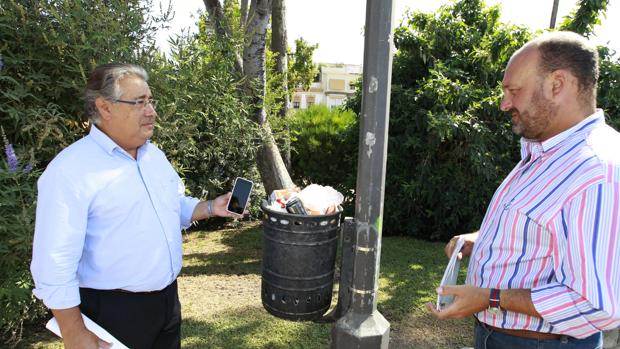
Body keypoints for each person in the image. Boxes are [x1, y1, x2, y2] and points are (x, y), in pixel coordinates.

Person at [30, 63, 245, 349]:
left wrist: (209, 207)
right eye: (140, 102)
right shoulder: (70, 171)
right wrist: (74, 332)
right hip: (112, 313)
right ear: (104, 107)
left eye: (151, 101)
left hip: (167, 305)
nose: (151, 112)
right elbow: (53, 262)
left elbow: (170, 207)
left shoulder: (153, 155)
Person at [428, 31, 620, 349]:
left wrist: (490, 298)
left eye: (514, 91)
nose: (505, 104)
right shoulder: (548, 151)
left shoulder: (597, 171)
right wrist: (481, 241)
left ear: (557, 84)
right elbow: (546, 232)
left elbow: (595, 304)